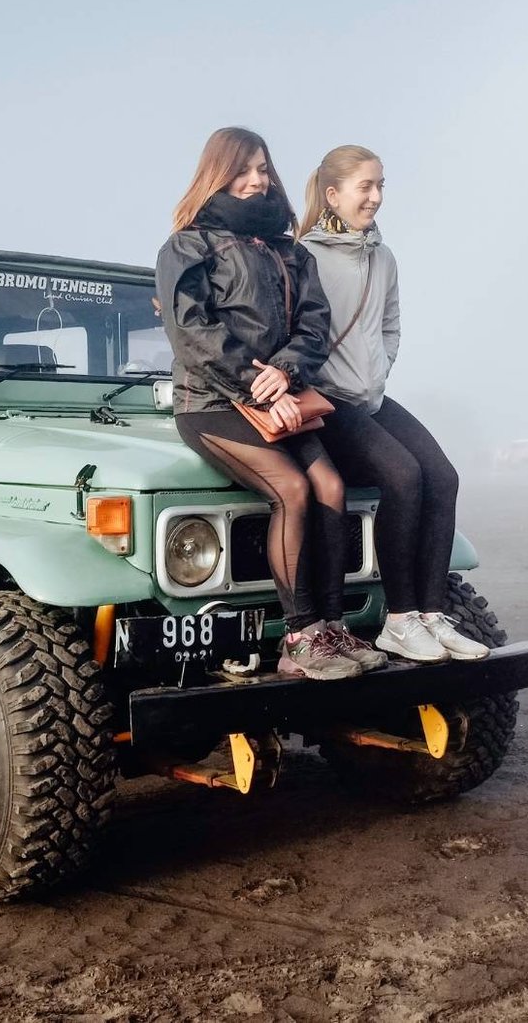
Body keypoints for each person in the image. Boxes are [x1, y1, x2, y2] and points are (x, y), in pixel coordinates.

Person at [157, 127, 386, 680]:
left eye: (262, 168)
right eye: (243, 170)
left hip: (278, 394)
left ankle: (333, 628)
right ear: (217, 173)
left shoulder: (289, 249)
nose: (256, 179)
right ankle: (300, 637)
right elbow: (192, 332)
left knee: (331, 487)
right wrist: (253, 387)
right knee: (292, 488)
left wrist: (283, 374)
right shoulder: (187, 246)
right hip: (210, 401)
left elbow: (314, 324)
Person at [299, 144, 490, 663]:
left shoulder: (383, 257)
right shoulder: (305, 257)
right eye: (367, 186)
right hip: (331, 401)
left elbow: (390, 325)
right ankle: (399, 620)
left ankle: (431, 613)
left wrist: (378, 373)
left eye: (381, 185)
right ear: (333, 194)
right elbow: (297, 332)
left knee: (444, 478)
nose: (377, 197)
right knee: (402, 476)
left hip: (372, 395)